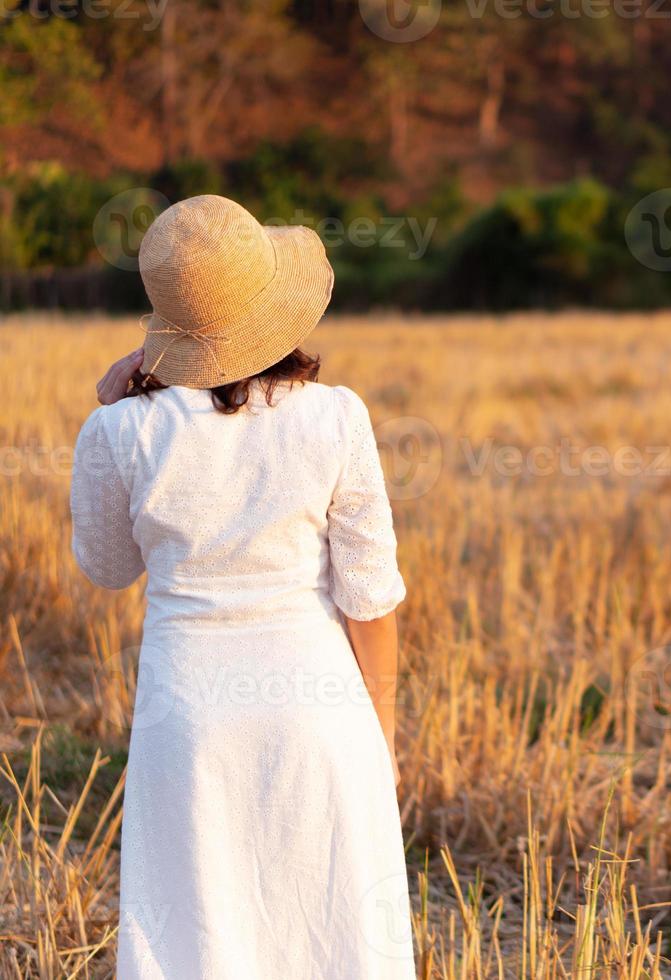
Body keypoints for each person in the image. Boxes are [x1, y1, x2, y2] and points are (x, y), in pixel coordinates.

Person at [70, 195, 415, 979]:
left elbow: (107, 567)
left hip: (187, 722)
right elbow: (371, 600)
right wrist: (382, 736)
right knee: (337, 940)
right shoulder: (336, 417)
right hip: (321, 715)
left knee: (198, 935)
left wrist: (109, 413)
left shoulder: (119, 431)